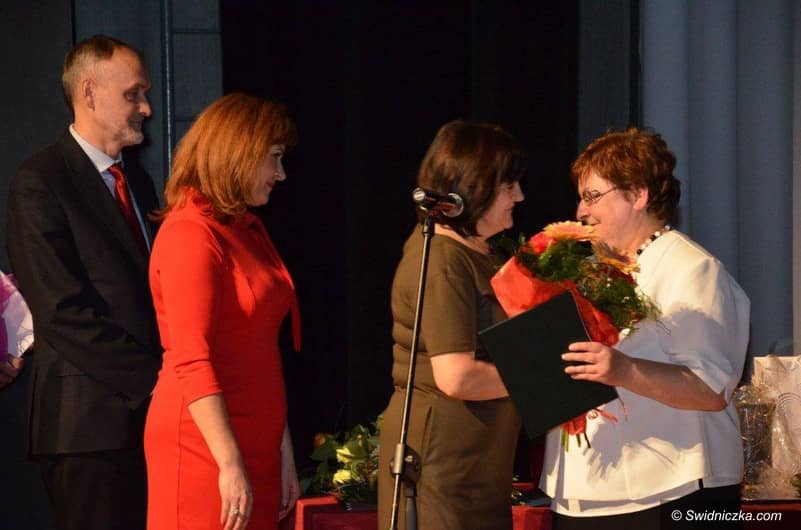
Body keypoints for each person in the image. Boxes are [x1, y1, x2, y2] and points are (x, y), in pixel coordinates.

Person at [540, 128, 750, 529]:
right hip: (584, 488)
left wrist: (622, 369)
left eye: (592, 196)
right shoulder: (586, 273)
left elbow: (710, 389)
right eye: (580, 197)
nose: (581, 211)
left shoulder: (692, 269)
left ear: (637, 195)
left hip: (672, 490)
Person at [6, 35, 161, 530]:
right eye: (134, 94)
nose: (147, 108)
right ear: (89, 92)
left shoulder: (138, 182)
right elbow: (61, 311)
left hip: (149, 423)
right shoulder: (40, 181)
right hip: (87, 429)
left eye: (145, 94)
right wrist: (158, 381)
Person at [144, 92, 302, 530]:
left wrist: (282, 449)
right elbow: (191, 359)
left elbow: (260, 353)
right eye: (274, 157)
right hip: (204, 447)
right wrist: (229, 463)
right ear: (239, 152)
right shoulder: (190, 233)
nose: (281, 174)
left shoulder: (244, 228)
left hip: (255, 444)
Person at [378, 120, 526, 529]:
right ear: (474, 185)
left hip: (477, 465)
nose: (519, 196)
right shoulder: (443, 260)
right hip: (443, 468)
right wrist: (547, 376)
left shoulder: (479, 252)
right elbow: (457, 376)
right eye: (508, 185)